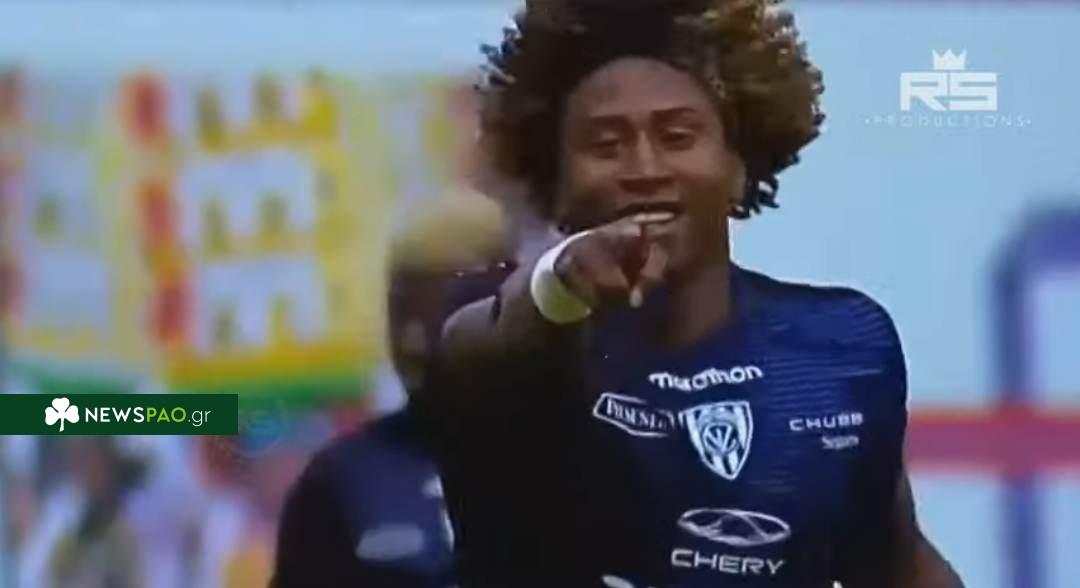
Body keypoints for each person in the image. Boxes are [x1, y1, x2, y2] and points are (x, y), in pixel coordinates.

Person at [416, 1, 966, 586]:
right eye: (606, 145)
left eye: (677, 136)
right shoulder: (497, 355)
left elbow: (895, 563)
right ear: (554, 183)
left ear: (738, 166)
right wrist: (564, 279)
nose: (645, 168)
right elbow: (495, 343)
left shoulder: (843, 346)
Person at [271, 191, 516, 588]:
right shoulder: (340, 482)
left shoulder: (579, 453)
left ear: (504, 308)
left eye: (439, 313)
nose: (411, 343)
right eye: (401, 314)